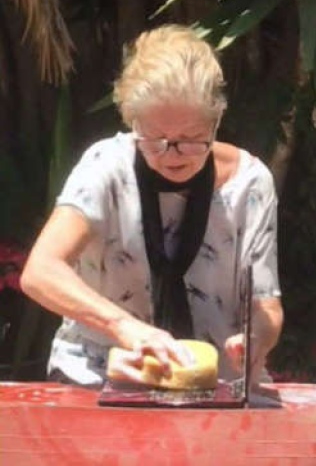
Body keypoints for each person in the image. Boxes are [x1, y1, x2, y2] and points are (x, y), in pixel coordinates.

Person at [20, 24, 283, 388]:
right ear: (132, 122)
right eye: (154, 140)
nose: (171, 155)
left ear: (216, 121)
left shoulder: (251, 184)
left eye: (191, 139)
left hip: (216, 384)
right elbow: (40, 271)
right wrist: (122, 326)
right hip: (101, 374)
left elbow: (265, 304)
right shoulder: (105, 167)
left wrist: (256, 341)